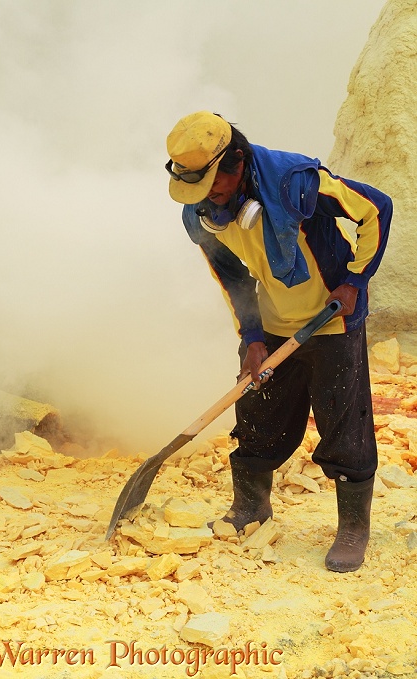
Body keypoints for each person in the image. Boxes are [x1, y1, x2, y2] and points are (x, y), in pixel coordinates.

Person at [165, 111, 393, 573]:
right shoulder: (201, 214)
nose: (208, 199)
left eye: (214, 185)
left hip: (331, 319)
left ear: (237, 163)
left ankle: (352, 527)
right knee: (257, 410)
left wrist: (355, 280)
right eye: (197, 191)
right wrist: (251, 338)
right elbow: (231, 277)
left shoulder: (296, 182)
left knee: (342, 420)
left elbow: (375, 210)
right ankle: (251, 507)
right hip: (272, 323)